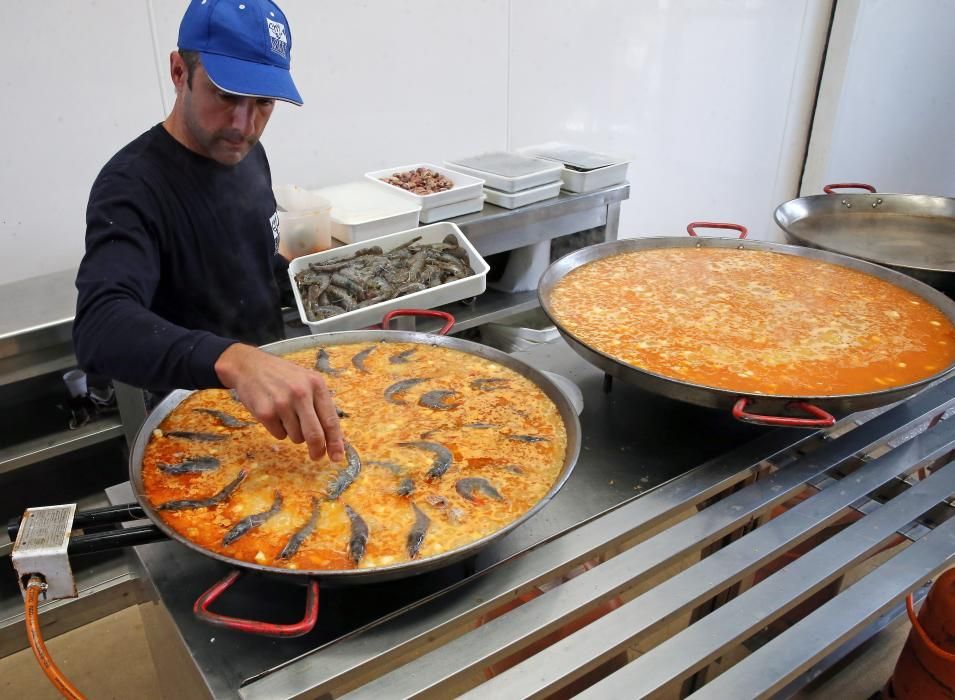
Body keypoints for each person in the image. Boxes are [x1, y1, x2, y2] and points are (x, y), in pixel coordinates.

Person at [73, 0, 344, 462]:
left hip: (278, 399)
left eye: (262, 103)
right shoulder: (131, 185)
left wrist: (322, 281)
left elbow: (247, 262)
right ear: (180, 72)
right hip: (198, 424)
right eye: (226, 95)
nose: (244, 125)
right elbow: (100, 326)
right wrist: (237, 360)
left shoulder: (246, 153)